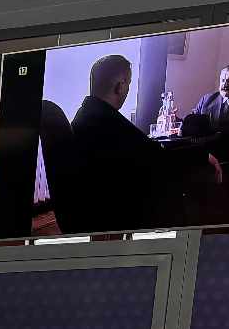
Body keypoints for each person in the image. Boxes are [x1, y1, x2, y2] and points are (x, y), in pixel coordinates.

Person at [70, 54, 170, 232]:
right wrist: (200, 156)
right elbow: (158, 156)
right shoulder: (109, 122)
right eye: (128, 84)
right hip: (109, 215)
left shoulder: (84, 113)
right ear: (120, 86)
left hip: (85, 205)